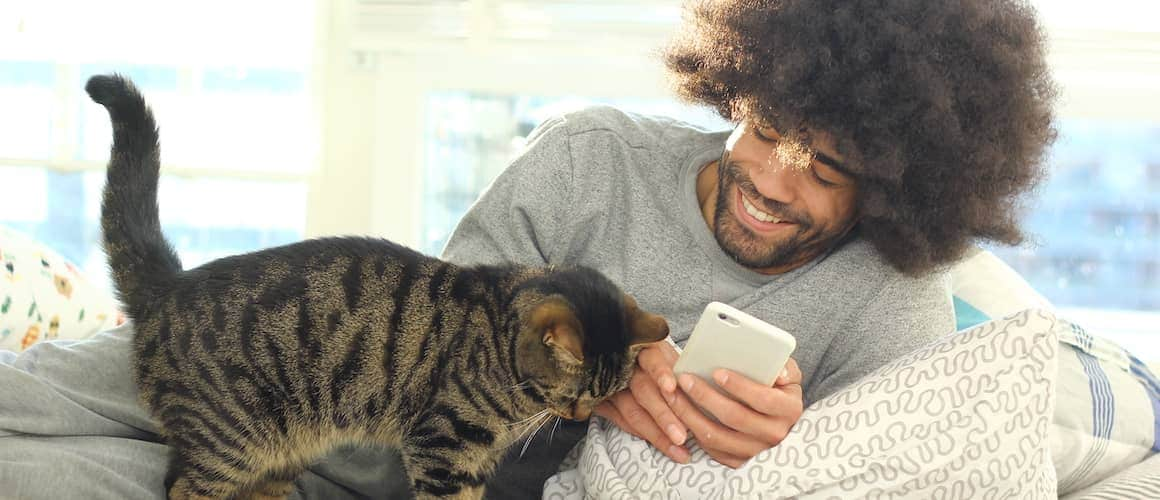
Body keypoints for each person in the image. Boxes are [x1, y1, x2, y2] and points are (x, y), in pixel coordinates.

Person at [0, 0, 1055, 498]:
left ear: (896, 185)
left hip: (392, 484)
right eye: (766, 126)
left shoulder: (890, 306)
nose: (773, 178)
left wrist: (783, 437)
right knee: (48, 386)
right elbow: (430, 341)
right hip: (333, 391)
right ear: (735, 80)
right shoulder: (592, 153)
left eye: (825, 169)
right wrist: (599, 375)